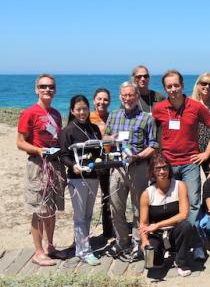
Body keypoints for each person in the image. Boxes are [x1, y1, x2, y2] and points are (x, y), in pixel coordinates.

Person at [153, 70, 210, 260]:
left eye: (176, 85)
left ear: (182, 85)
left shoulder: (196, 107)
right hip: (167, 165)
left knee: (194, 204)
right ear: (165, 88)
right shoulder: (159, 108)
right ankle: (172, 244)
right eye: (169, 86)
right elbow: (149, 131)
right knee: (167, 204)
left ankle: (196, 244)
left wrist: (206, 153)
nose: (173, 89)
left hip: (190, 163)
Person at [16, 74, 66, 266]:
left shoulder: (55, 114)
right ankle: (38, 252)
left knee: (51, 208)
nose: (47, 90)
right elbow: (20, 142)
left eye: (51, 87)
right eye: (43, 86)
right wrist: (38, 150)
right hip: (37, 165)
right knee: (38, 209)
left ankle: (49, 246)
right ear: (36, 89)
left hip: (55, 165)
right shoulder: (29, 113)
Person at [105, 81, 159, 256]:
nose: (128, 98)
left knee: (139, 208)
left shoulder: (147, 118)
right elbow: (105, 139)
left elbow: (153, 145)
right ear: (121, 97)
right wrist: (109, 139)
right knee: (115, 207)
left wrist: (139, 156)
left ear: (137, 96)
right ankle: (122, 241)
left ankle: (138, 242)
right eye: (124, 95)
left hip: (138, 167)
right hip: (117, 169)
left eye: (131, 95)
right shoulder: (113, 116)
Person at [59, 95, 102, 265]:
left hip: (93, 176)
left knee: (89, 214)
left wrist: (99, 161)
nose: (82, 112)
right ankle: (84, 252)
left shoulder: (94, 128)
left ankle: (82, 246)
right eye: (78, 109)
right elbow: (63, 155)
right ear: (72, 111)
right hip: (77, 178)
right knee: (79, 216)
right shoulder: (68, 130)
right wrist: (73, 166)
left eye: (85, 108)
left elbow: (98, 151)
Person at [139, 154, 193, 276]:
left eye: (165, 167)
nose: (162, 171)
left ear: (169, 169)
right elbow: (143, 224)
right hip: (157, 235)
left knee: (186, 226)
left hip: (174, 231)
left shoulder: (180, 185)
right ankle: (161, 254)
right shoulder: (147, 194)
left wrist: (157, 225)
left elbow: (184, 214)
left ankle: (180, 261)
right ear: (153, 171)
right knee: (154, 265)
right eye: (158, 168)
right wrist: (144, 241)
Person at [89, 88, 113, 239]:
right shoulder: (87, 116)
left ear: (109, 101)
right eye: (99, 99)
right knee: (88, 197)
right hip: (91, 161)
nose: (102, 102)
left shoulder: (113, 117)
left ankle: (108, 231)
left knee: (108, 197)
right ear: (94, 100)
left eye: (105, 99)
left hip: (108, 160)